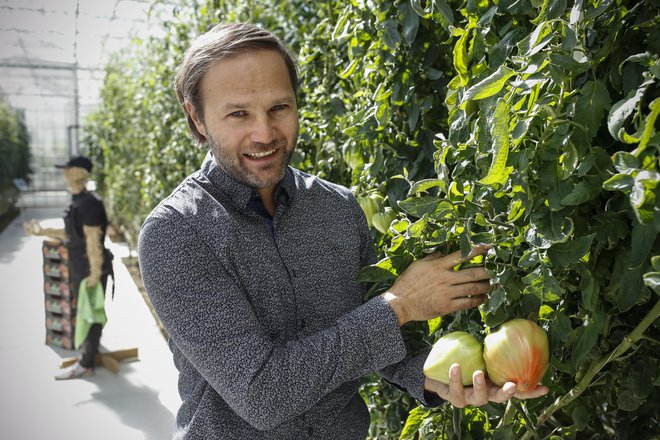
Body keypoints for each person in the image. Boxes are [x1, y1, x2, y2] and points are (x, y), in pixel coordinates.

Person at [137, 23, 548, 438]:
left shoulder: (336, 209)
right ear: (197, 117)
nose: (264, 134)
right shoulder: (176, 234)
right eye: (238, 113)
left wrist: (441, 377)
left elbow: (380, 340)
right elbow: (264, 394)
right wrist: (399, 306)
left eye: (279, 108)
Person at [25, 155, 113, 380]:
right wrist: (42, 232)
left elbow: (93, 240)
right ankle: (90, 349)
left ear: (79, 173)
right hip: (80, 268)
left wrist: (94, 273)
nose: (64, 174)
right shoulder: (78, 200)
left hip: (89, 269)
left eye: (68, 170)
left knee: (90, 314)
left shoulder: (89, 203)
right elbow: (73, 233)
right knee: (85, 311)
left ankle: (86, 362)